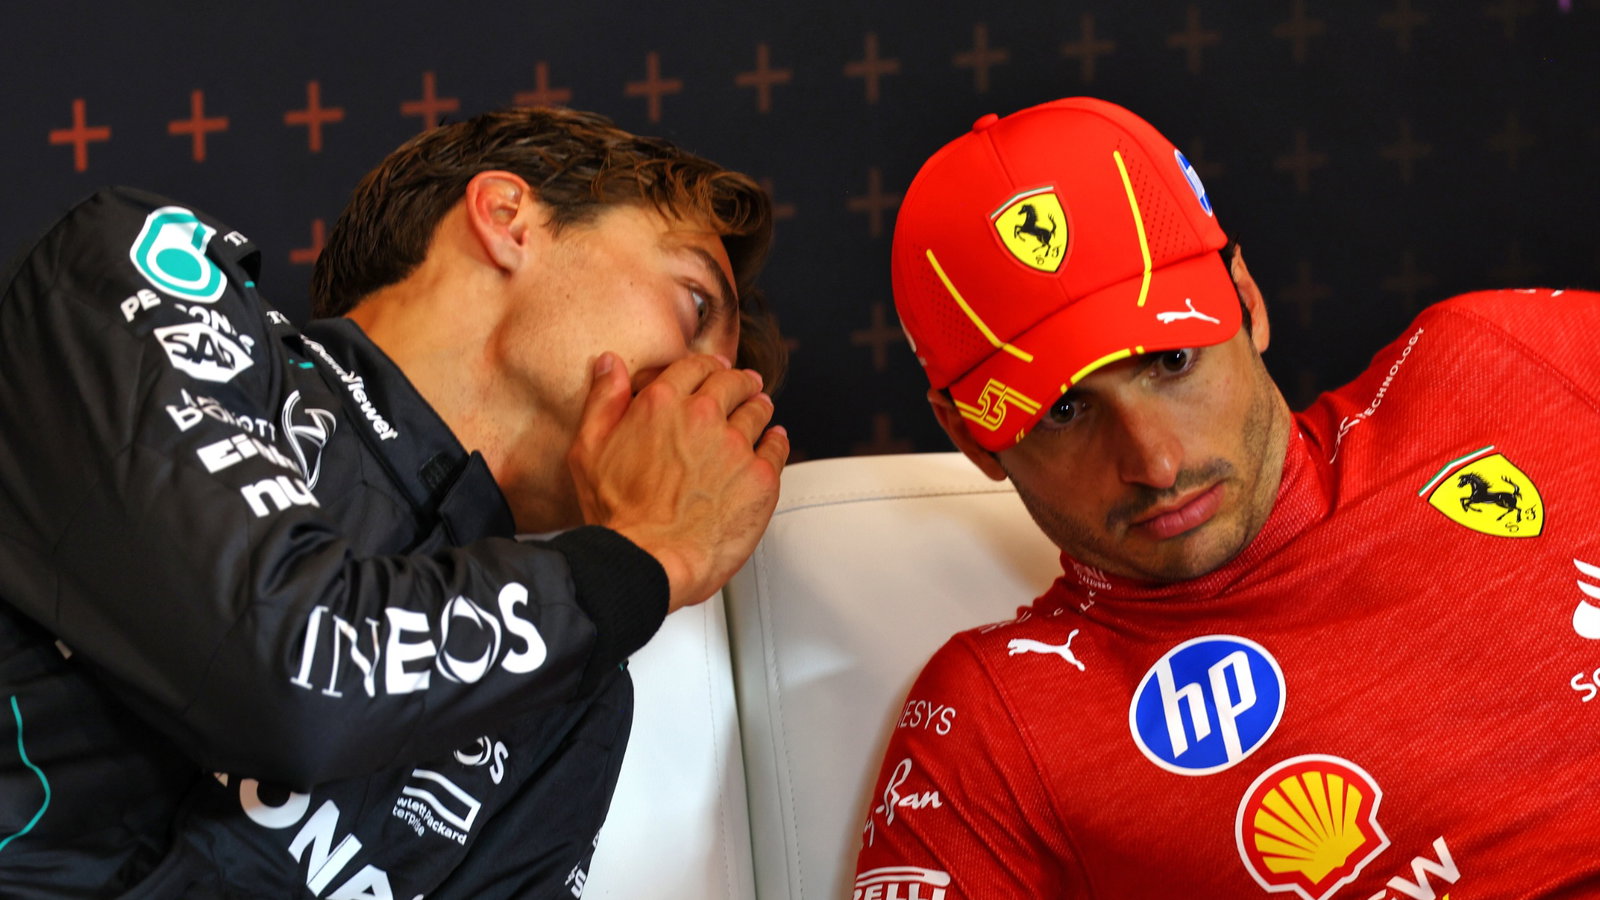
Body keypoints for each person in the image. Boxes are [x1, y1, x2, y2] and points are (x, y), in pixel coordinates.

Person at [0, 106, 788, 898]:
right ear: (509, 218)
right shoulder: (141, 277)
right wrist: (642, 559)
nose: (705, 401)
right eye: (692, 304)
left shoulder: (576, 692)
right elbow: (289, 672)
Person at [852, 96, 1600, 898]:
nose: (1157, 462)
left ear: (1247, 299)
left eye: (1171, 361)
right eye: (1063, 411)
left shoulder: (1510, 359)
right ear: (972, 438)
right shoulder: (992, 725)